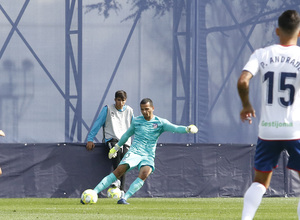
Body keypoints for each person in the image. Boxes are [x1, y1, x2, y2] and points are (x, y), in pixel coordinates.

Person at [237, 10, 300, 220]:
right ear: (299, 33)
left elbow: (243, 81)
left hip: (268, 131)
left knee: (260, 181)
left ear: (276, 30)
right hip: (295, 130)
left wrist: (246, 105)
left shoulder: (262, 54)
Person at [83, 98, 198, 205]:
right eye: (142, 109)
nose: (144, 112)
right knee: (119, 171)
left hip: (148, 155)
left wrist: (187, 129)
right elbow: (127, 135)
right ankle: (94, 192)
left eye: (146, 109)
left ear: (152, 108)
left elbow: (175, 128)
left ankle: (124, 198)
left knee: (144, 174)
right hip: (134, 152)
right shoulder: (137, 121)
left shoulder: (160, 122)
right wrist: (116, 147)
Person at [86, 90, 133, 192]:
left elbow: (135, 126)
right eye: (119, 100)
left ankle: (122, 191)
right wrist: (90, 139)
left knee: (124, 162)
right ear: (115, 100)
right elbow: (97, 124)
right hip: (111, 139)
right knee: (117, 151)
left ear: (126, 101)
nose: (120, 103)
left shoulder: (129, 110)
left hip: (125, 141)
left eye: (123, 100)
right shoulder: (107, 109)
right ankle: (116, 179)